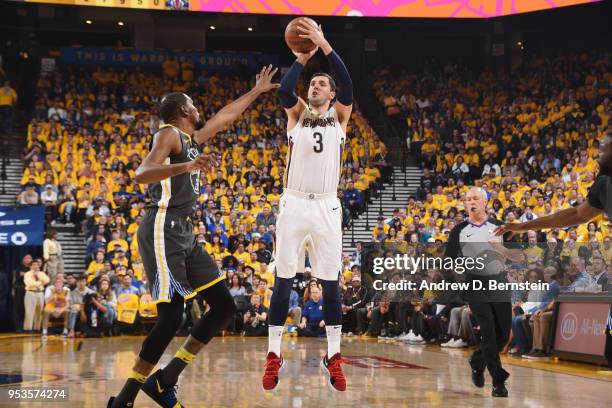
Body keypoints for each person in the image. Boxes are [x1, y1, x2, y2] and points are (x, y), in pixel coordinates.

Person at [109, 65, 279, 408]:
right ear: (184, 110)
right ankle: (124, 399)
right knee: (172, 316)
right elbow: (142, 173)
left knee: (223, 307)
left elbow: (224, 117)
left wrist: (256, 91)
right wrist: (186, 166)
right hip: (162, 225)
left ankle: (166, 378)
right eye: (194, 104)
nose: (199, 109)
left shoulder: (191, 139)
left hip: (184, 231)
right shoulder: (169, 134)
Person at [263, 18, 353, 392]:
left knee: (331, 286)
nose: (314, 86)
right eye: (312, 83)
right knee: (283, 283)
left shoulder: (340, 115)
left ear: (331, 95)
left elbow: (347, 83)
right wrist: (303, 57)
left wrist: (325, 45)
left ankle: (333, 356)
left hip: (327, 208)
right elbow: (285, 91)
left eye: (321, 84)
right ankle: (273, 355)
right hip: (295, 204)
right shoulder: (296, 114)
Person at [496, 135, 612, 369]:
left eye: (603, 150)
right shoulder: (604, 183)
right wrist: (522, 226)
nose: (598, 156)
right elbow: (575, 215)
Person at [445, 187, 524, 398]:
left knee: (501, 336)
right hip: (475, 283)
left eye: (476, 198)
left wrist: (502, 250)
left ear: (485, 202)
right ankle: (499, 383)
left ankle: (477, 361)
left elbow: (520, 257)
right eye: (468, 199)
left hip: (499, 282)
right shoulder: (459, 230)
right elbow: (447, 261)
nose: (471, 202)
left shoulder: (500, 227)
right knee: (488, 332)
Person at [23, 260, 49, 332]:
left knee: (39, 311)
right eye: (34, 264)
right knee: (29, 311)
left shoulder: (41, 273)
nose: (35, 266)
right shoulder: (27, 274)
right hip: (31, 293)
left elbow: (47, 280)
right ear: (31, 266)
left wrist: (38, 276)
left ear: (39, 266)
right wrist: (40, 283)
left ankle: (37, 328)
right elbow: (29, 284)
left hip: (40, 293)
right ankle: (28, 328)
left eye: (37, 265)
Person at [42, 273, 70, 340]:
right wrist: (53, 294)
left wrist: (61, 310)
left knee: (67, 311)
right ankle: (44, 331)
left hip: (61, 308)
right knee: (46, 311)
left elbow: (67, 304)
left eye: (60, 281)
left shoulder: (66, 290)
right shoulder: (50, 289)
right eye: (57, 281)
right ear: (55, 283)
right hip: (51, 307)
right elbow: (47, 302)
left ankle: (65, 331)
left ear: (63, 283)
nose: (58, 282)